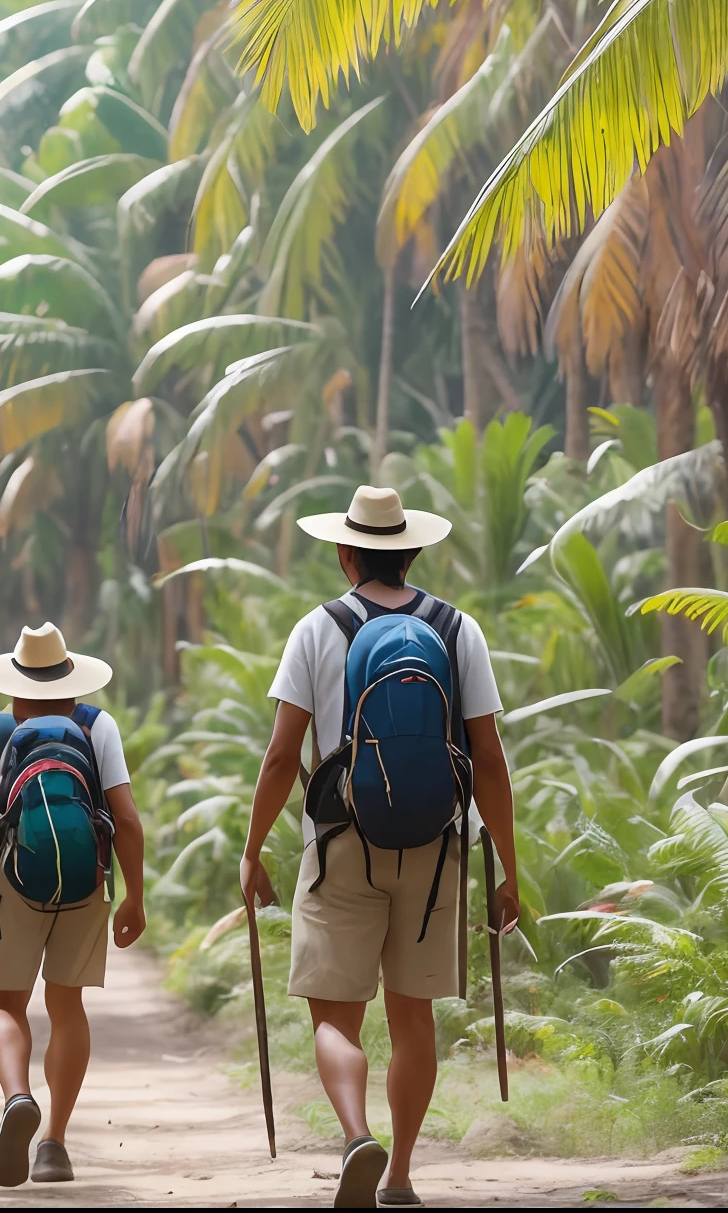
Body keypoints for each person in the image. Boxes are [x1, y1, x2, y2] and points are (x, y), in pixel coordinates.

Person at [237, 486, 521, 1209]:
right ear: (413, 551)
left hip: (339, 844)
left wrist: (252, 850)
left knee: (335, 1016)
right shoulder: (458, 630)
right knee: (413, 1016)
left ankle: (358, 1135)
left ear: (344, 552)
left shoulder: (317, 629)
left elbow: (279, 757)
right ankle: (399, 1177)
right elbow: (488, 758)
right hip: (434, 848)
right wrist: (509, 870)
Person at [0, 623, 146, 1188]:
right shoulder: (96, 726)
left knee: (3, 1006)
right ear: (71, 679)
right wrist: (134, 895)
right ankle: (54, 1144)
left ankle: (17, 1097)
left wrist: (7, 874)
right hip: (86, 882)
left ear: (15, 684)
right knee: (67, 1008)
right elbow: (127, 820)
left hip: (11, 883)